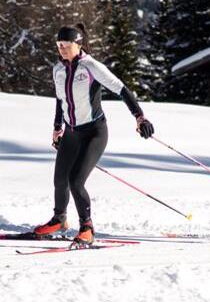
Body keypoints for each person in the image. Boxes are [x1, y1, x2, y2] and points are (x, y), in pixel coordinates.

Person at [32, 24, 154, 246]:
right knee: (60, 179)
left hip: (94, 132)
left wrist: (140, 117)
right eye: (59, 46)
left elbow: (121, 89)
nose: (62, 50)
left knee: (76, 180)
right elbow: (61, 101)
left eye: (67, 46)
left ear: (78, 45)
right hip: (70, 132)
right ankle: (59, 220)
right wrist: (57, 127)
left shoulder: (91, 67)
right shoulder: (58, 70)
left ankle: (87, 227)